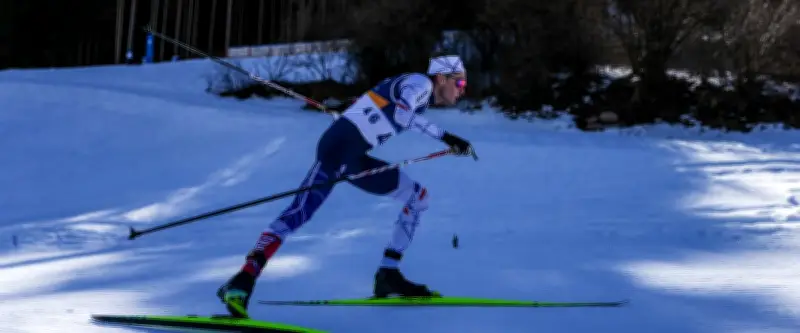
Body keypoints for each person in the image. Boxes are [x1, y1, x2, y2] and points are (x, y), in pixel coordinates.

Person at [216, 54, 475, 318]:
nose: (462, 91)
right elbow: (401, 112)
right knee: (298, 213)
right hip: (337, 152)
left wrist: (353, 107)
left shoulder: (418, 93)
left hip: (353, 159)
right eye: (460, 84)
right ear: (441, 78)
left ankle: (388, 273)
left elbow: (380, 103)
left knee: (417, 197)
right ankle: (242, 281)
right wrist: (447, 137)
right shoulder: (421, 83)